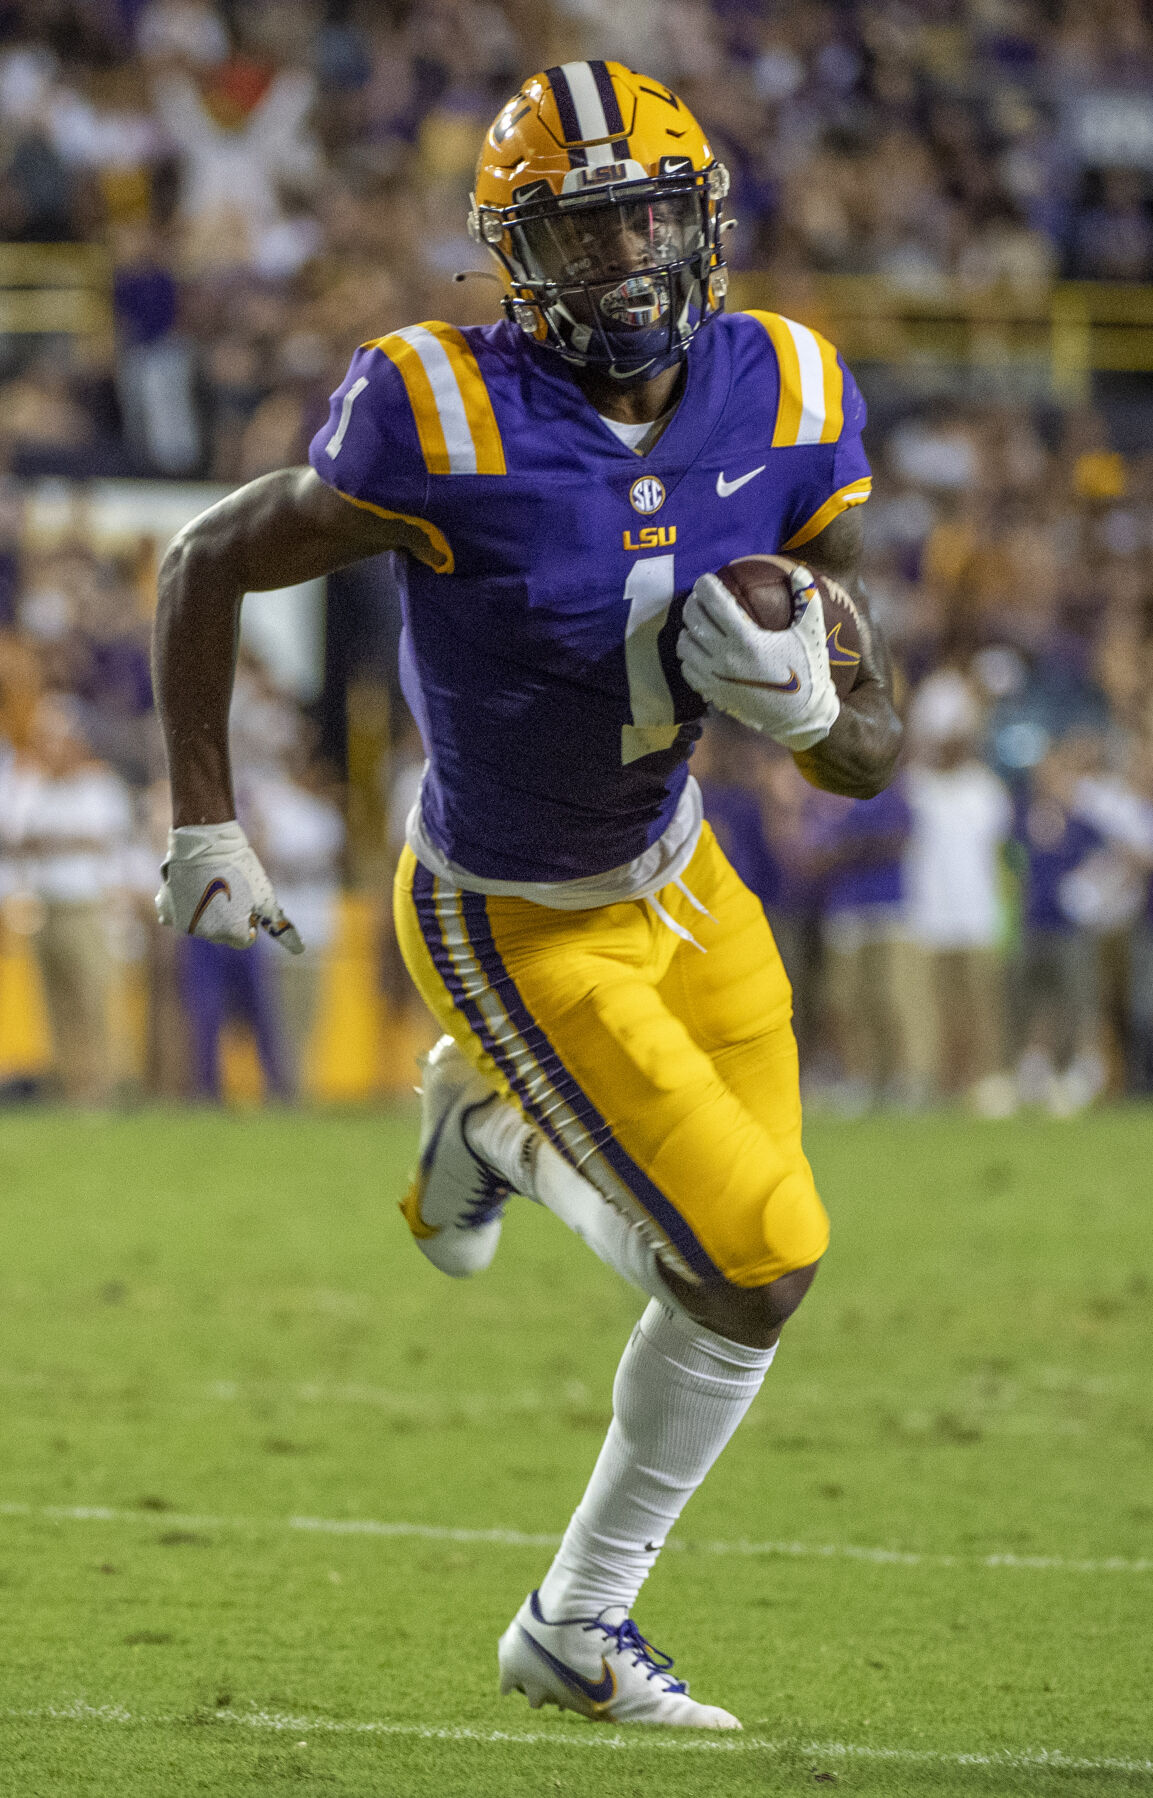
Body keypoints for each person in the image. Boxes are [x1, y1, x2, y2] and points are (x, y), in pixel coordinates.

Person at [151, 62, 901, 1730]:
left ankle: (575, 1623)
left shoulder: (785, 385)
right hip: (509, 907)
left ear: (704, 220)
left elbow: (874, 748)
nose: (625, 259)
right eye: (580, 229)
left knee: (750, 1278)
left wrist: (813, 713)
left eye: (648, 214)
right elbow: (203, 554)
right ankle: (491, 1135)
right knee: (751, 1259)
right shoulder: (433, 406)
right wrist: (205, 822)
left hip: (688, 879)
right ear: (513, 254)